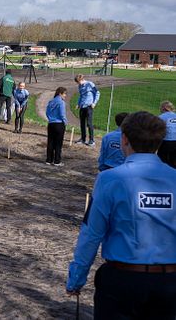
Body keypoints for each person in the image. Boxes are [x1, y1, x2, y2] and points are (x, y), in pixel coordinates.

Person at [66, 111, 176, 319]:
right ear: (160, 142)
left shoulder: (110, 179)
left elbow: (91, 233)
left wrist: (77, 278)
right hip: (168, 283)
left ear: (124, 139)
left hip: (123, 281)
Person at [74, 74, 100, 146]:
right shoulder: (80, 86)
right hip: (82, 107)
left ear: (81, 80)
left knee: (89, 123)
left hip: (89, 106)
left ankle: (91, 140)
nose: (78, 84)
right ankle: (83, 139)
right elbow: (81, 95)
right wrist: (78, 104)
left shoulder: (90, 84)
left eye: (78, 82)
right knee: (82, 124)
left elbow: (97, 93)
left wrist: (94, 103)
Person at [46, 87, 68, 166]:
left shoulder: (51, 101)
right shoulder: (61, 102)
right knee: (58, 143)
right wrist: (65, 122)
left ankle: (49, 160)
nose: (65, 96)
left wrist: (50, 119)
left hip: (51, 124)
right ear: (60, 93)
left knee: (50, 142)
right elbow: (62, 114)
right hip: (59, 124)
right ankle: (57, 161)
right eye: (64, 94)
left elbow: (47, 112)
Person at [157, 101, 176, 168]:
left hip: (166, 143)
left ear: (163, 108)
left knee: (162, 160)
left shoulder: (161, 117)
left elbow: (157, 130)